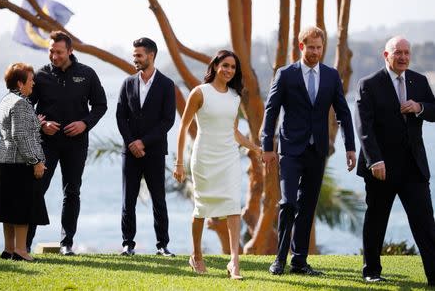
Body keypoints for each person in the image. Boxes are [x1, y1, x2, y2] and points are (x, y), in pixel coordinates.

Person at [262, 26, 356, 276]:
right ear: (301, 47)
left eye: (319, 47)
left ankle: (299, 262)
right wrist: (266, 147)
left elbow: (343, 113)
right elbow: (271, 111)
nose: (315, 52)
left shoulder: (331, 75)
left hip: (318, 151)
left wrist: (350, 147)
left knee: (307, 206)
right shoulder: (285, 74)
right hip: (290, 149)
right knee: (288, 203)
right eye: (311, 47)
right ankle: (280, 259)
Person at [173, 50, 261, 279]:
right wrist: (179, 163)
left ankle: (234, 262)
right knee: (201, 209)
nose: (229, 70)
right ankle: (196, 255)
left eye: (233, 67)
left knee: (233, 206)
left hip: (229, 158)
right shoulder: (200, 92)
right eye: (225, 65)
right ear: (215, 66)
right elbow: (183, 128)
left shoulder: (235, 97)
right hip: (204, 158)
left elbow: (234, 133)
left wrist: (256, 148)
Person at [355, 36, 435, 286]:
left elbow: (434, 109)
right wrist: (374, 161)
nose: (402, 57)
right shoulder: (368, 84)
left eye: (406, 53)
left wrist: (419, 106)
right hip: (382, 168)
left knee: (425, 223)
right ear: (386, 55)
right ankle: (371, 271)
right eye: (397, 52)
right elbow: (363, 127)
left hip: (414, 167)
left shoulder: (419, 81)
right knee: (377, 220)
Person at [27, 31, 107, 255]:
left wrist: (85, 123)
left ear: (70, 51)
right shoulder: (40, 75)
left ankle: (66, 243)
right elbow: (26, 107)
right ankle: (25, 244)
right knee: (37, 190)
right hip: (46, 143)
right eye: (51, 51)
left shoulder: (87, 74)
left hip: (76, 143)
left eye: (59, 52)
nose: (54, 56)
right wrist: (41, 125)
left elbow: (100, 105)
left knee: (72, 192)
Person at [116, 37, 176, 257]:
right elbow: (120, 115)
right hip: (129, 152)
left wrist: (144, 142)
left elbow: (167, 121)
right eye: (134, 56)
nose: (135, 59)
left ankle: (162, 245)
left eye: (139, 55)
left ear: (151, 55)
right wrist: (132, 142)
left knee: (158, 199)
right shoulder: (127, 83)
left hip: (154, 151)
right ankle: (127, 244)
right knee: (127, 200)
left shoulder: (167, 85)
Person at [0, 63, 49, 261]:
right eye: (31, 80)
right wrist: (36, 161)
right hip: (20, 163)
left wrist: (35, 123)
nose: (33, 83)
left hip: (4, 161)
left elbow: (14, 129)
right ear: (20, 83)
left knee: (8, 209)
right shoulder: (22, 103)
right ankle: (21, 251)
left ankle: (9, 249)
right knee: (22, 209)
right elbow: (21, 136)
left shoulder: (6, 100)